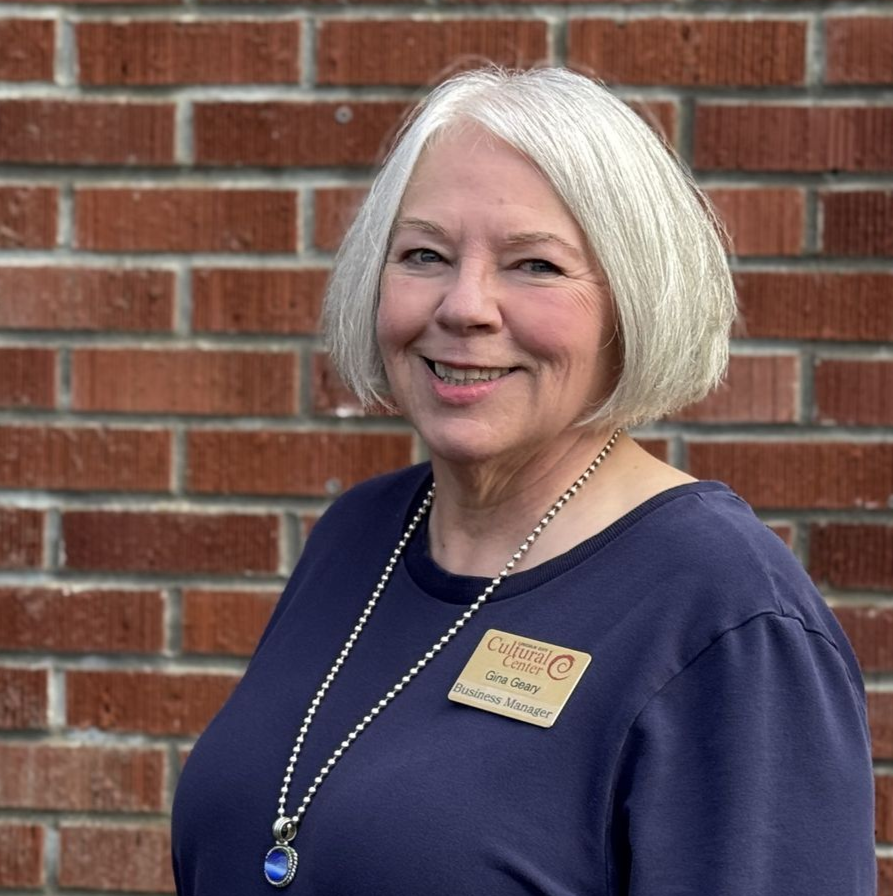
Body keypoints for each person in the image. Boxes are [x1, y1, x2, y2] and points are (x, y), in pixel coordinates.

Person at [171, 67, 876, 895]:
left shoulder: (726, 618)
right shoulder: (356, 536)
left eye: (534, 265)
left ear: (630, 303)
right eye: (424, 254)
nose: (464, 305)